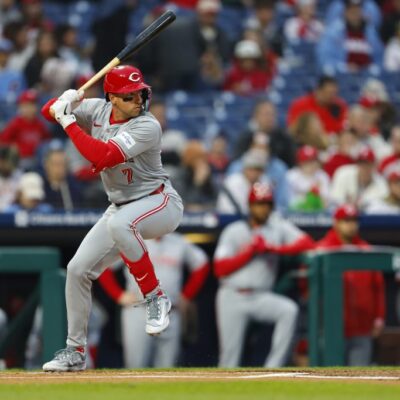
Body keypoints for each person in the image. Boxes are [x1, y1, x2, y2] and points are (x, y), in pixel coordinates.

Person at [40, 64, 184, 372]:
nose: (137, 101)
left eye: (139, 94)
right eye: (129, 96)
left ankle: (155, 297)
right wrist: (64, 101)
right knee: (78, 269)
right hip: (120, 206)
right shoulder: (96, 109)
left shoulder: (148, 125)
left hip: (159, 201)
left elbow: (101, 156)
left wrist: (67, 121)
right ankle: (75, 350)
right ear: (112, 98)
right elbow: (46, 111)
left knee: (122, 224)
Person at [214, 182, 314, 367]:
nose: (263, 209)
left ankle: (274, 367)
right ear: (250, 206)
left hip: (261, 296)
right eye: (259, 204)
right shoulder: (234, 230)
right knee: (229, 358)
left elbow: (307, 243)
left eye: (267, 204)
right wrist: (249, 252)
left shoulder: (277, 227)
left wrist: (273, 249)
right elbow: (220, 268)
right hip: (232, 295)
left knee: (288, 310)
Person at [98, 233, 210, 368]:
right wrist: (119, 295)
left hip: (170, 311)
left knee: (169, 367)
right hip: (139, 311)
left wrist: (187, 295)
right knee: (136, 365)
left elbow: (202, 263)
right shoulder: (131, 241)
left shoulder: (179, 242)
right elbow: (103, 265)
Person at [316, 204, 386, 366]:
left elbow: (378, 288)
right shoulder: (322, 249)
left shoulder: (366, 250)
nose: (351, 225)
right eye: (346, 221)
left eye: (354, 220)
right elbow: (308, 289)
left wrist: (379, 317)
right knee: (329, 379)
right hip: (331, 328)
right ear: (336, 223)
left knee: (360, 379)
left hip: (362, 328)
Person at [0, 89, 50, 170]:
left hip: (36, 161)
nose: (30, 108)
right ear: (21, 107)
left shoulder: (40, 124)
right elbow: (3, 142)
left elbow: (47, 141)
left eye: (33, 104)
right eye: (27, 105)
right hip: (19, 162)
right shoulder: (15, 123)